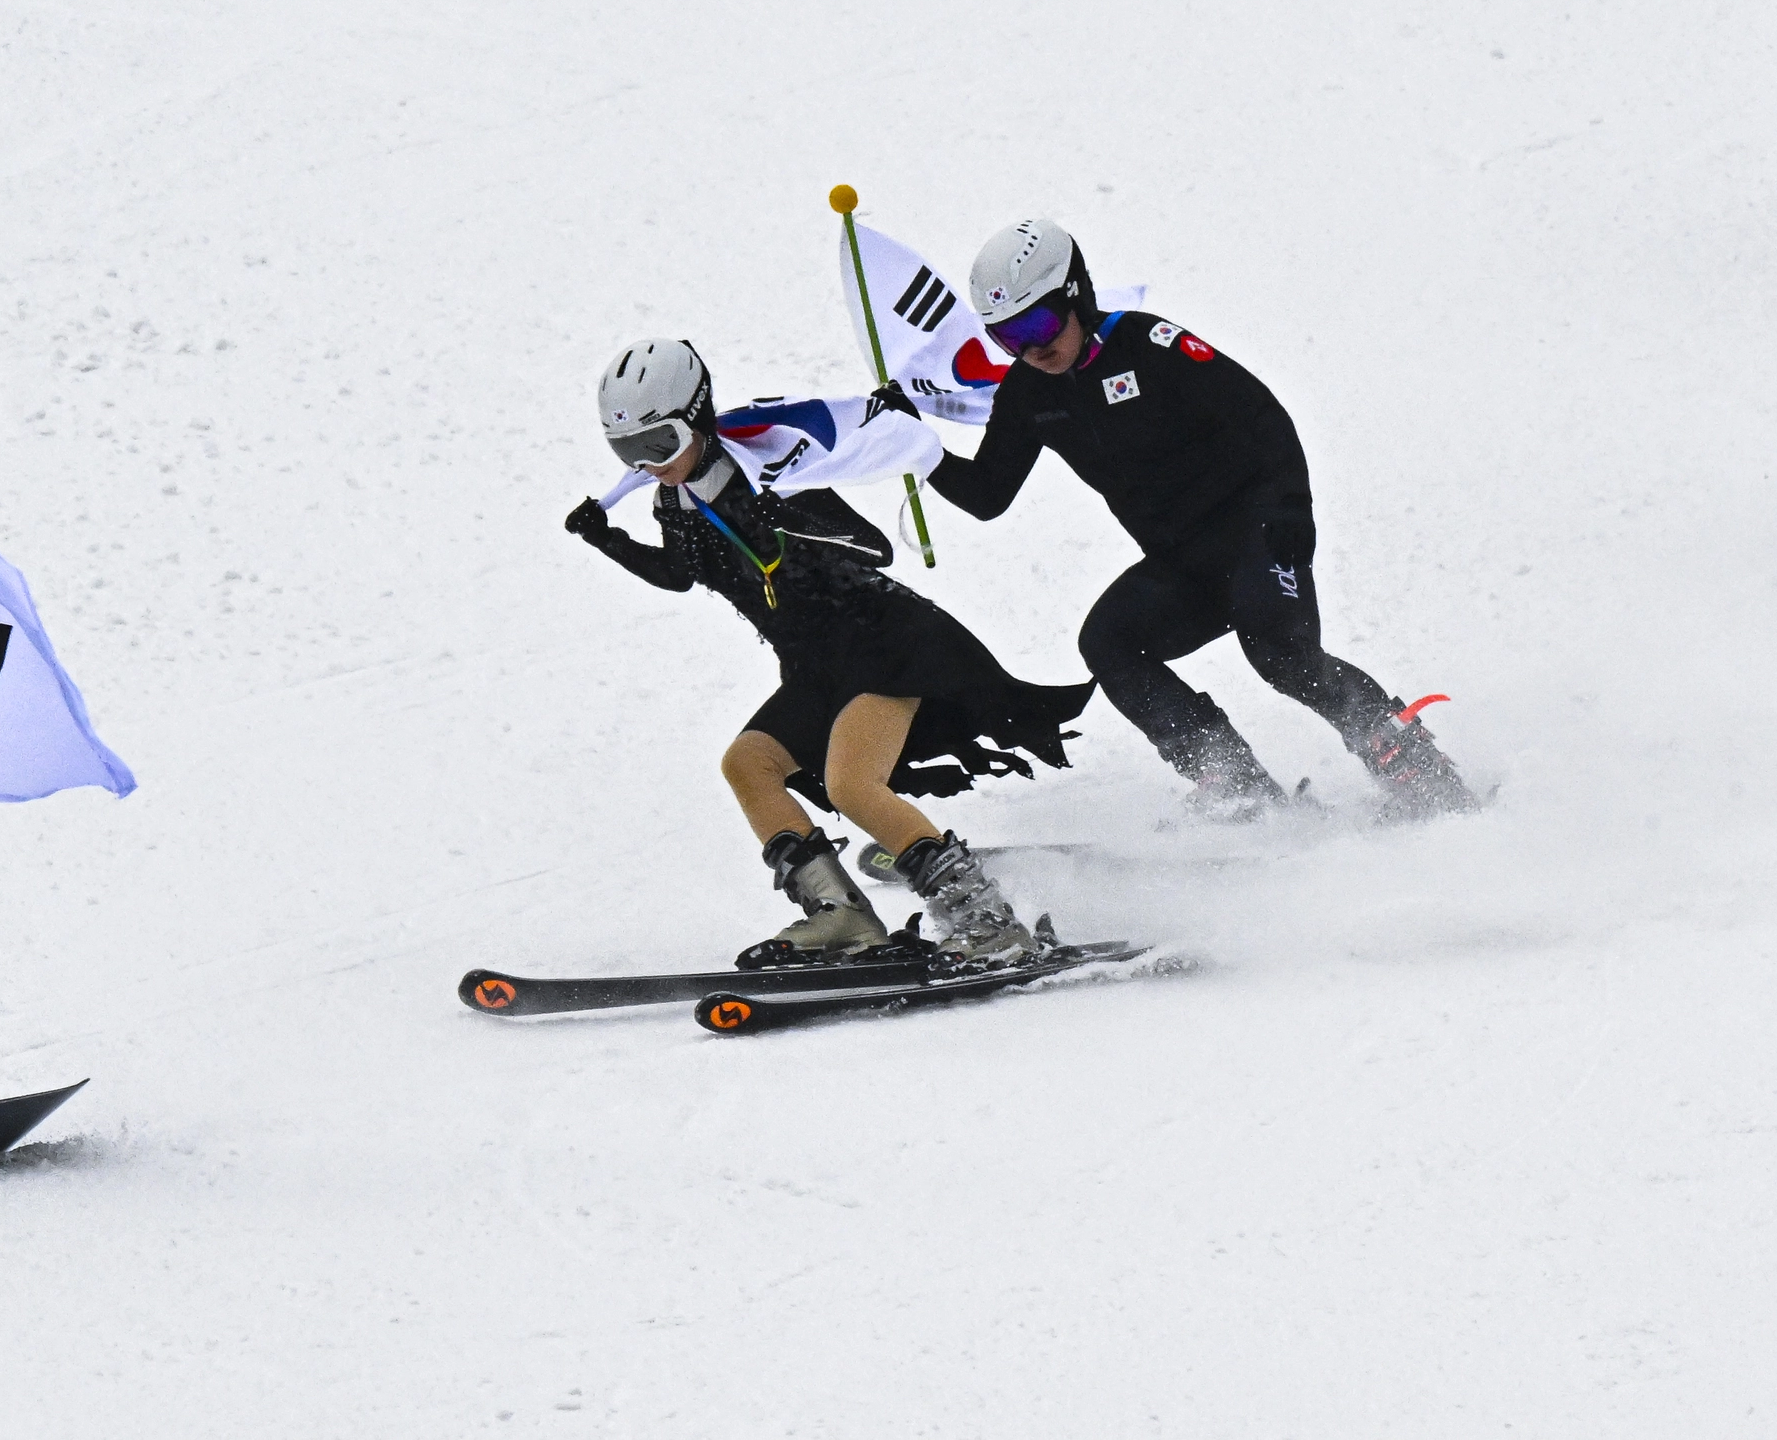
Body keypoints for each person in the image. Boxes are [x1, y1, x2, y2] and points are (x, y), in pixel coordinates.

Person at [908, 220, 1476, 819]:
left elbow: (1262, 414)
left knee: (1278, 653)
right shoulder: (1028, 393)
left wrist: (1290, 510)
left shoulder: (1148, 344)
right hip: (1181, 565)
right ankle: (1234, 782)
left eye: (1039, 325)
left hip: (1256, 536)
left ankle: (1415, 767)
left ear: (1076, 294)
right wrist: (915, 446)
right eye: (1007, 338)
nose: (1031, 349)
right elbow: (987, 494)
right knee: (1108, 641)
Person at [568, 338, 1096, 967]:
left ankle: (986, 919)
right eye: (628, 451)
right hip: (816, 665)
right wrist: (610, 542)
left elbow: (872, 548)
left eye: (658, 445)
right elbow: (683, 574)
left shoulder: (774, 472)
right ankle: (840, 914)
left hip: (883, 642)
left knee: (851, 784)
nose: (648, 464)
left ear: (700, 417)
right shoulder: (675, 498)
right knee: (748, 764)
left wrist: (788, 522)